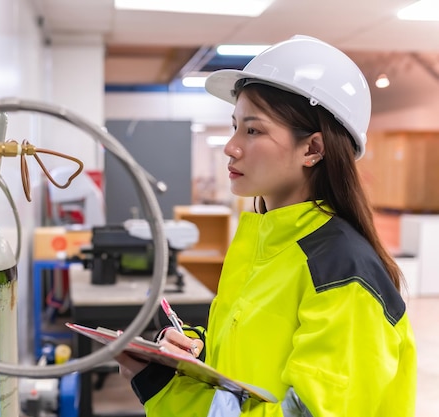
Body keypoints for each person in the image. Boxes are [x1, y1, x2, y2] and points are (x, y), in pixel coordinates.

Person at [116, 35, 417, 417]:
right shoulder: (268, 245)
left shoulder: (342, 273)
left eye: (253, 130)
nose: (231, 146)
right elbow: (255, 363)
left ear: (312, 150)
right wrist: (194, 352)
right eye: (235, 126)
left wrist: (168, 393)